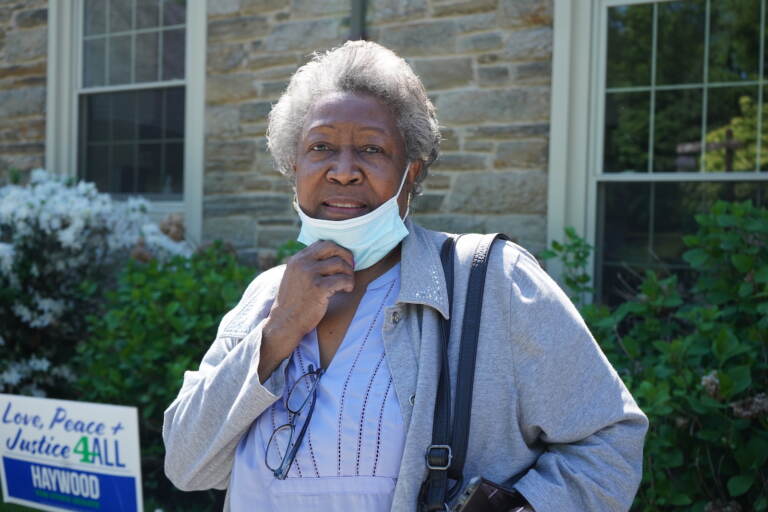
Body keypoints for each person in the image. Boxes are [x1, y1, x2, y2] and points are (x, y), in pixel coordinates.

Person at [162, 40, 648, 511]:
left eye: (371, 150)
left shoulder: (492, 283)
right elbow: (186, 466)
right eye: (321, 146)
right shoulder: (267, 296)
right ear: (294, 166)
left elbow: (609, 444)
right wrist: (277, 333)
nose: (343, 171)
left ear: (411, 171)